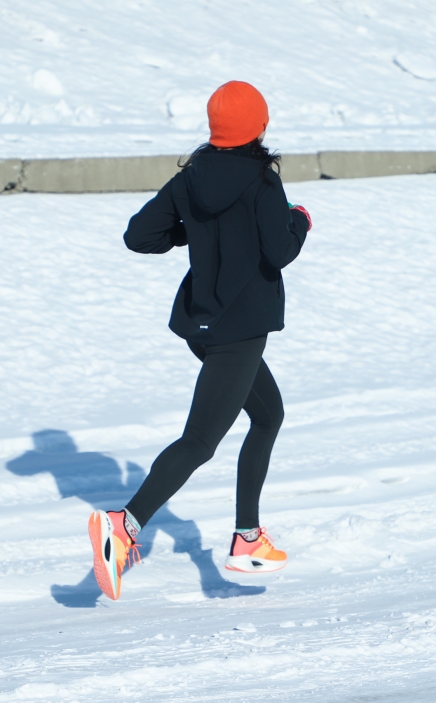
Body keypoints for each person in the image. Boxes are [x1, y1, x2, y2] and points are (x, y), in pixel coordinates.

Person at [88, 80, 312, 601]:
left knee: (268, 415)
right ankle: (125, 524)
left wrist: (195, 228)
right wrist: (299, 222)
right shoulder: (261, 180)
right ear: (260, 126)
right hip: (238, 332)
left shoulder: (191, 178)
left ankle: (248, 537)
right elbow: (278, 252)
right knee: (200, 441)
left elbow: (139, 236)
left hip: (202, 326)